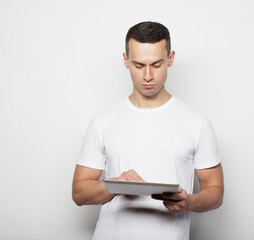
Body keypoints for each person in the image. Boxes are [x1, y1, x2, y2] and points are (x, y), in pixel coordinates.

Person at [72, 21, 224, 240]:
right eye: (139, 65)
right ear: (126, 61)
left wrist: (188, 201)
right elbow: (78, 193)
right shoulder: (103, 121)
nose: (148, 76)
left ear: (170, 59)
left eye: (156, 64)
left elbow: (215, 191)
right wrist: (114, 185)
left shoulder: (196, 122)